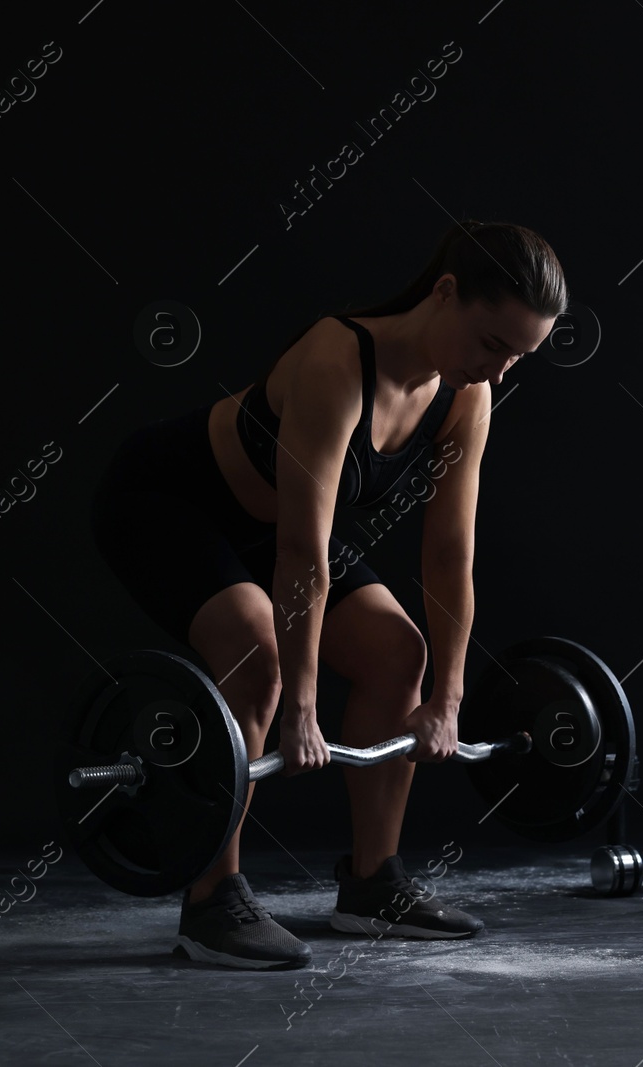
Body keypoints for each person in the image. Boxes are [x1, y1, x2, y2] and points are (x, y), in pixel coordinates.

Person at [90, 218, 567, 969]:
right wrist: (301, 710)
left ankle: (372, 886)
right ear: (446, 293)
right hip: (168, 503)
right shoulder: (336, 359)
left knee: (396, 652)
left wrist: (447, 697)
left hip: (273, 526)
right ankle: (210, 899)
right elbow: (303, 552)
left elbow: (448, 555)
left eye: (517, 357)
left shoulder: (464, 397)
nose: (499, 370)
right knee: (257, 658)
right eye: (492, 344)